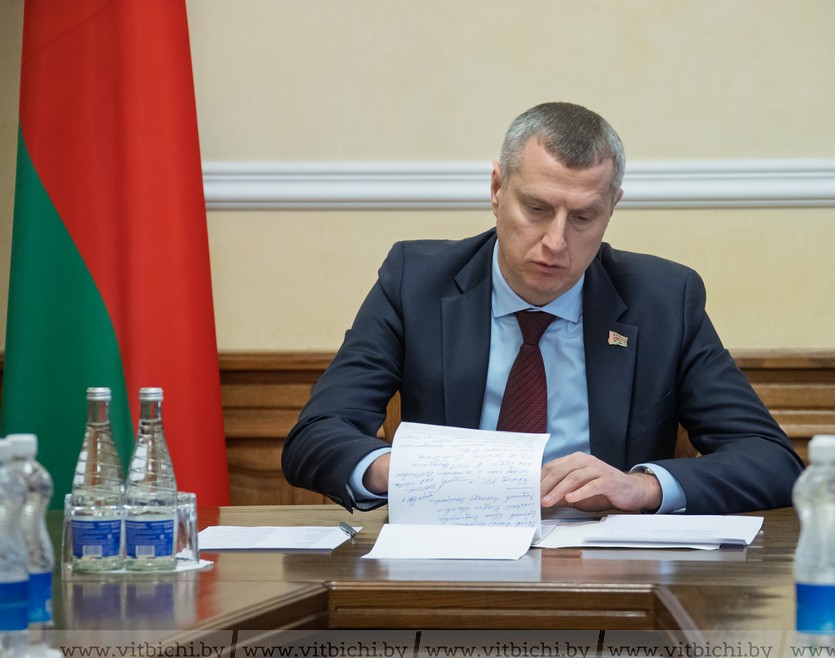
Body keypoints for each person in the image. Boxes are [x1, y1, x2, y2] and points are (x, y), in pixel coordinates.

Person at [282, 102, 803, 515]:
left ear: (611, 209)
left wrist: (641, 488)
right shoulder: (415, 282)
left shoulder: (664, 299)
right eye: (536, 208)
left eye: (583, 217)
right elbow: (315, 436)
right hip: (452, 554)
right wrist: (407, 472)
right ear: (496, 190)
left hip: (605, 568)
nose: (556, 242)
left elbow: (771, 460)